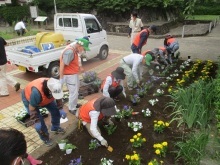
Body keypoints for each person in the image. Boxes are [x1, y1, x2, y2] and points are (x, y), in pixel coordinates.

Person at [21, 78, 66, 146]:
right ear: (49, 91)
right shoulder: (36, 93)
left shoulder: (55, 84)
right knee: (40, 124)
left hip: (45, 98)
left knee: (56, 111)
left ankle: (55, 127)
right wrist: (36, 121)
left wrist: (60, 108)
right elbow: (32, 109)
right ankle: (45, 138)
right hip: (29, 99)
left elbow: (58, 97)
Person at [60, 37, 91, 115]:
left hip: (73, 74)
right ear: (79, 45)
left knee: (76, 90)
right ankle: (71, 108)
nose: (83, 50)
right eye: (83, 48)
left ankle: (74, 104)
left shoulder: (74, 49)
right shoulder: (70, 51)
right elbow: (62, 64)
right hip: (69, 76)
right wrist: (61, 78)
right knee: (73, 92)